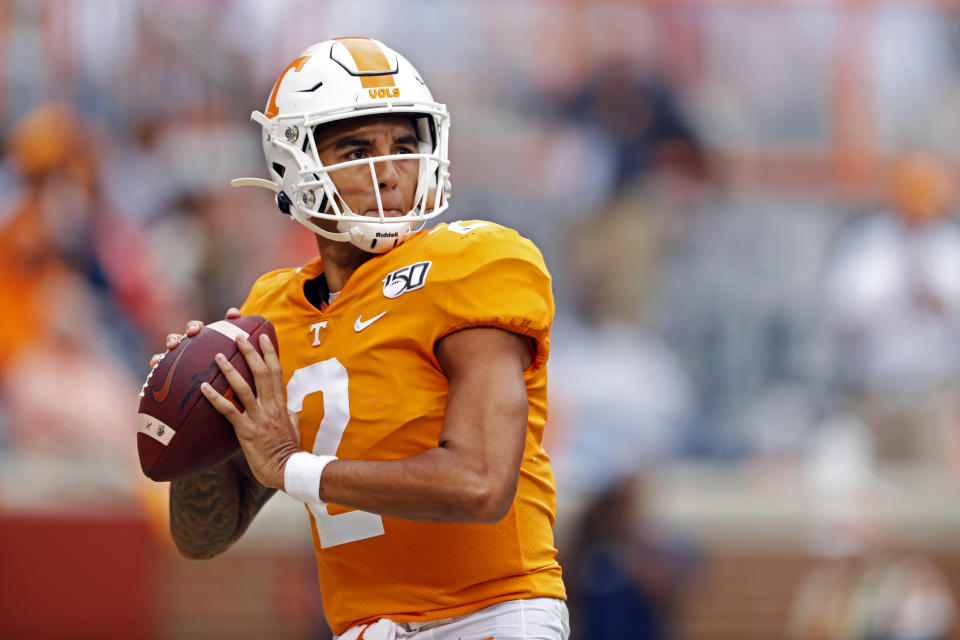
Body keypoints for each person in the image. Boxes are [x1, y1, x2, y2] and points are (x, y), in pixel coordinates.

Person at [149, 38, 568, 640]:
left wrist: (294, 468)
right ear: (291, 163)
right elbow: (202, 538)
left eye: (404, 146)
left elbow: (478, 484)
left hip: (490, 615)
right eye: (357, 150)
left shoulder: (471, 261)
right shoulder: (270, 309)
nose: (390, 171)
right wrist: (199, 408)